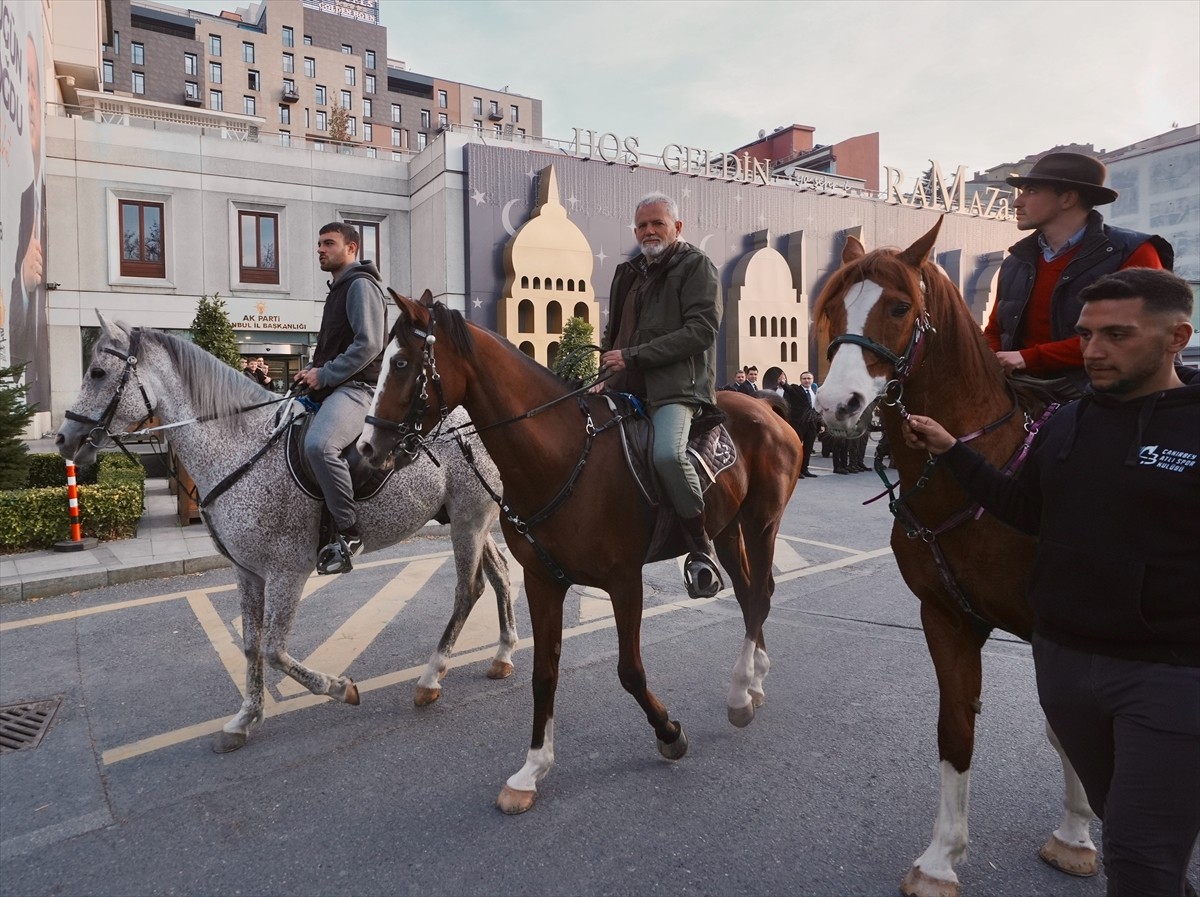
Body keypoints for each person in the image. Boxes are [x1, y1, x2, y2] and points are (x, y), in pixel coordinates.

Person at [903, 268, 1199, 897]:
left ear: (1177, 337)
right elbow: (1022, 509)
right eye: (1087, 334)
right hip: (1067, 671)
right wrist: (953, 449)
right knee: (1127, 828)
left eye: (1117, 334)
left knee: (1140, 857)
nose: (1093, 350)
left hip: (1168, 675)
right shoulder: (1064, 423)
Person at [597, 192, 724, 599]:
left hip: (677, 388)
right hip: (624, 384)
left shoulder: (696, 265)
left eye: (658, 223)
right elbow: (614, 332)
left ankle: (701, 546)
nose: (649, 231)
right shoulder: (627, 272)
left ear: (677, 228)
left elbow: (701, 331)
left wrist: (633, 356)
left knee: (667, 455)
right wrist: (604, 370)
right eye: (642, 225)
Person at [984, 152, 1172, 400]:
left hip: (1103, 393)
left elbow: (1139, 337)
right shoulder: (1015, 262)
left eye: (1031, 191)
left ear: (1067, 198)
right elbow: (995, 331)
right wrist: (991, 365)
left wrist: (1028, 358)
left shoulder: (1133, 252)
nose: (1017, 202)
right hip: (1021, 390)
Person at [293, 223, 387, 574]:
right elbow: (336, 347)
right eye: (318, 244)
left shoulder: (360, 285)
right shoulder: (339, 289)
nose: (320, 249)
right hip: (334, 387)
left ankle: (349, 533)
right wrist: (312, 371)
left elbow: (369, 344)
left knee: (320, 446)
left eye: (328, 243)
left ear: (352, 248)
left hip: (360, 390)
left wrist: (325, 374)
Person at [7, 33, 49, 409]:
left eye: (37, 85)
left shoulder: (40, 202)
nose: (32, 100)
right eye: (28, 85)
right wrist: (21, 280)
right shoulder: (21, 203)